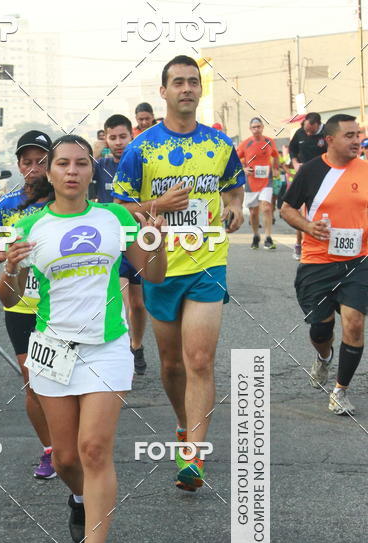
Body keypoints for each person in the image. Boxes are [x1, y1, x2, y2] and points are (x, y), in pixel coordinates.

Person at [0, 135, 167, 543]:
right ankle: (77, 497)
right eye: (63, 164)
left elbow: (152, 274)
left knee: (94, 450)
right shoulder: (30, 226)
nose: (72, 171)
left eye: (81, 164)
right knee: (67, 457)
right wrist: (11, 268)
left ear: (93, 172)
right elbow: (10, 298)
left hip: (107, 347)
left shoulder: (113, 218)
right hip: (52, 346)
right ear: (48, 174)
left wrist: (157, 242)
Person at [113, 54, 245, 491]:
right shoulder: (142, 148)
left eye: (193, 82)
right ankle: (183, 424)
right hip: (159, 266)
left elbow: (233, 187)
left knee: (200, 360)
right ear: (164, 91)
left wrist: (234, 208)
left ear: (199, 90)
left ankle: (194, 456)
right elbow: (119, 207)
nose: (187, 88)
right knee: (171, 364)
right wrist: (157, 207)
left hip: (208, 262)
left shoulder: (219, 145)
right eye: (179, 82)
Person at [0, 130, 56, 479]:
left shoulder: (67, 199)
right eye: (28, 161)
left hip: (65, 307)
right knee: (34, 382)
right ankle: (51, 450)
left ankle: (77, 442)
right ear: (20, 166)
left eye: (41, 160)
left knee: (69, 381)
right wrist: (9, 256)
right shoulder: (8, 206)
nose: (34, 166)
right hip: (22, 307)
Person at [281, 114, 368, 415]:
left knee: (355, 322)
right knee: (321, 329)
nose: (356, 140)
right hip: (317, 262)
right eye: (349, 135)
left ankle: (340, 391)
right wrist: (307, 226)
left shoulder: (366, 171)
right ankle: (324, 357)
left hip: (358, 262)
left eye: (357, 135)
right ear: (329, 140)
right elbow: (287, 208)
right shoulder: (311, 171)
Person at [92, 114, 148, 374]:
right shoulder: (99, 165)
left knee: (138, 304)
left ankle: (137, 345)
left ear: (131, 136)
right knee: (122, 301)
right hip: (110, 246)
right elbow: (84, 161)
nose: (117, 142)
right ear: (105, 138)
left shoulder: (140, 164)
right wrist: (96, 146)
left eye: (122, 137)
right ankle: (122, 351)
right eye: (112, 137)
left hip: (137, 242)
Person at [236, 117, 280, 250]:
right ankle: (256, 235)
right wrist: (243, 169)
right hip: (251, 181)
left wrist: (276, 168)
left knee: (266, 208)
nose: (256, 129)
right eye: (254, 127)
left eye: (258, 126)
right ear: (250, 129)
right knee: (254, 212)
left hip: (267, 180)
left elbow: (275, 155)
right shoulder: (245, 143)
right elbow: (235, 159)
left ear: (262, 127)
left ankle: (268, 237)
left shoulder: (269, 141)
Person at [289, 113, 327, 259]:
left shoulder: (327, 134)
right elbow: (292, 148)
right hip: (303, 176)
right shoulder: (300, 133)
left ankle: (320, 243)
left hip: (323, 177)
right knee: (300, 211)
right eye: (305, 129)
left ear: (318, 124)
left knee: (318, 211)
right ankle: (299, 244)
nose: (307, 132)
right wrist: (294, 162)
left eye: (310, 130)